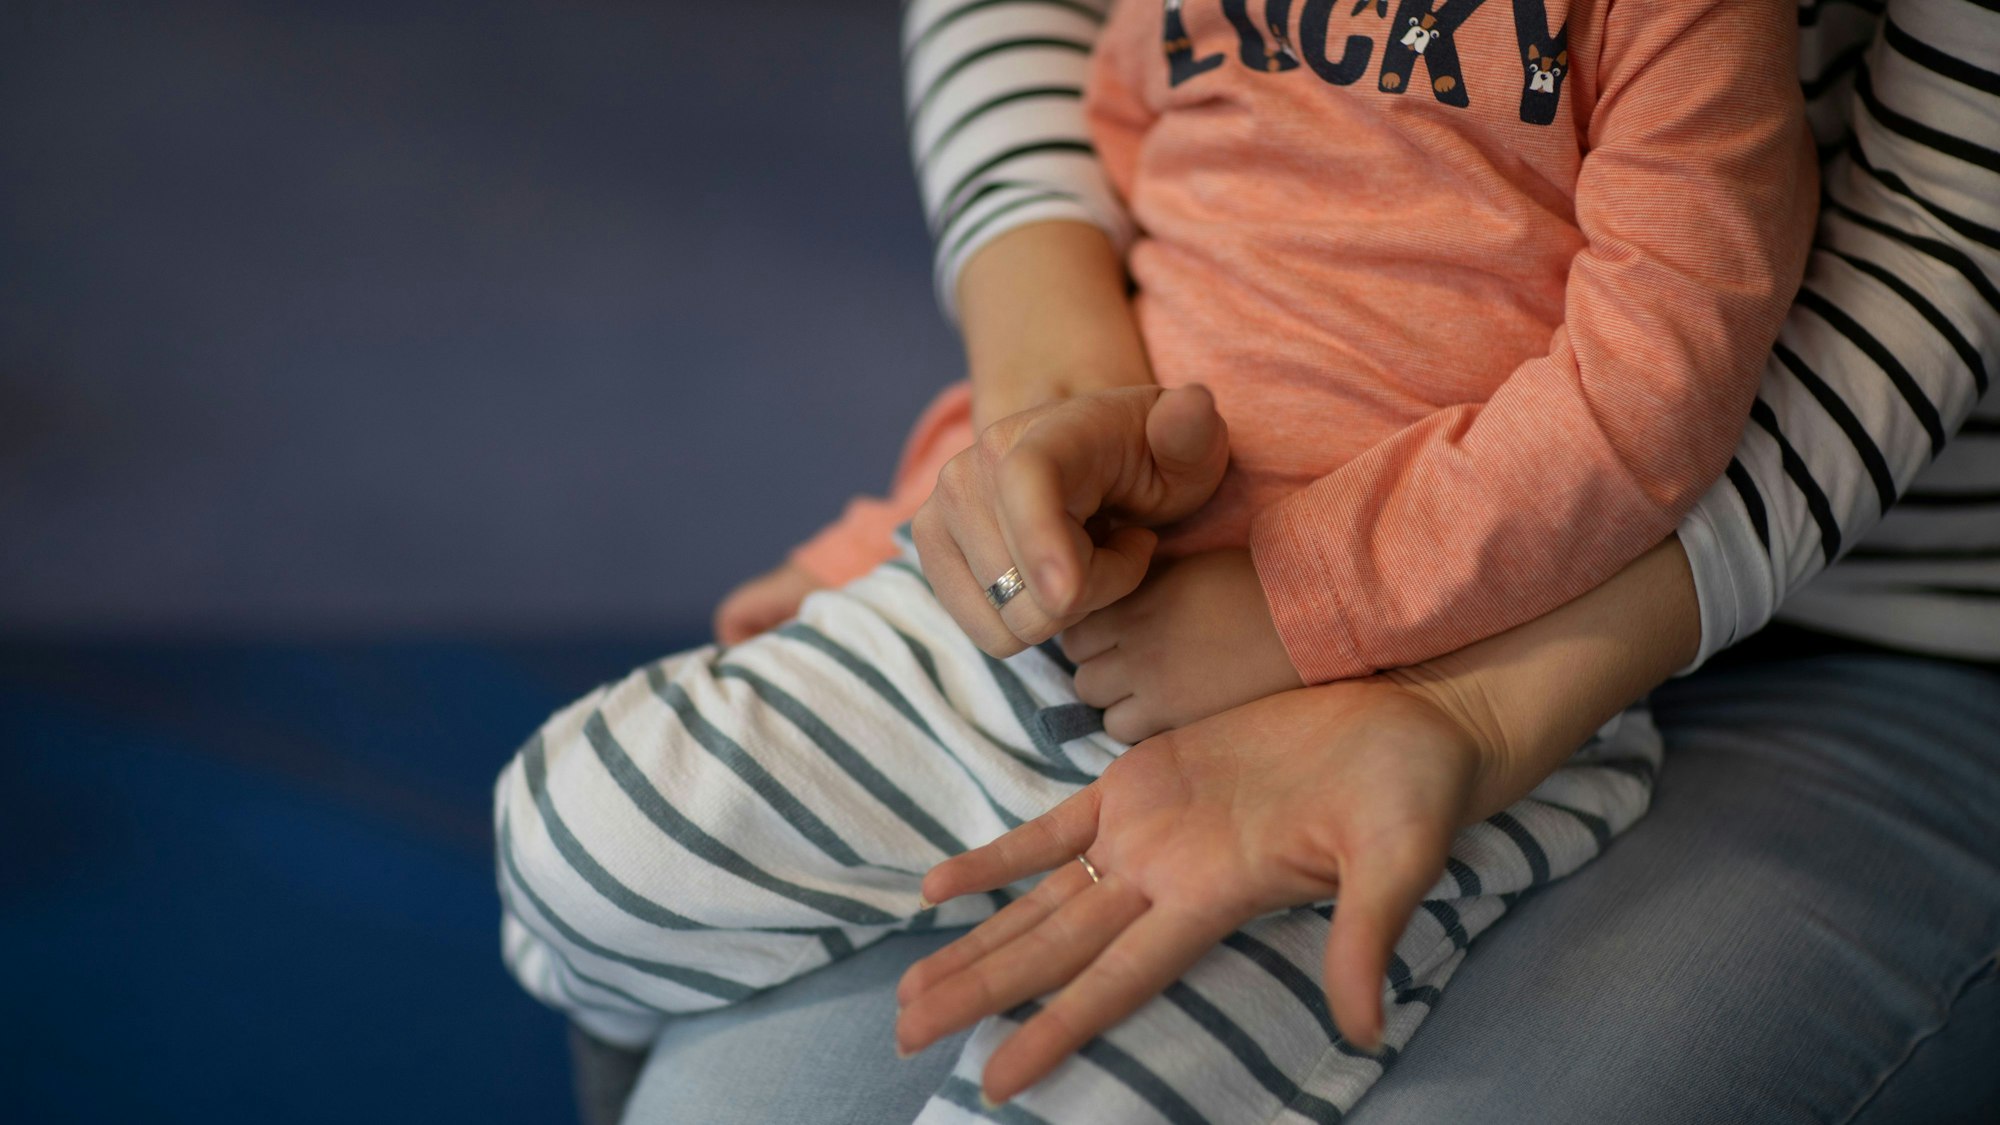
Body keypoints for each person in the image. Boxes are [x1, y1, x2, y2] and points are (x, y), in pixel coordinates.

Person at [502, 2, 1996, 1123]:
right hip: (1130, 610)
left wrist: (1395, 662)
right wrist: (982, 479)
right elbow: (1188, 236)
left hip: (1691, 636)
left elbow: (1687, 369)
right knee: (594, 875)